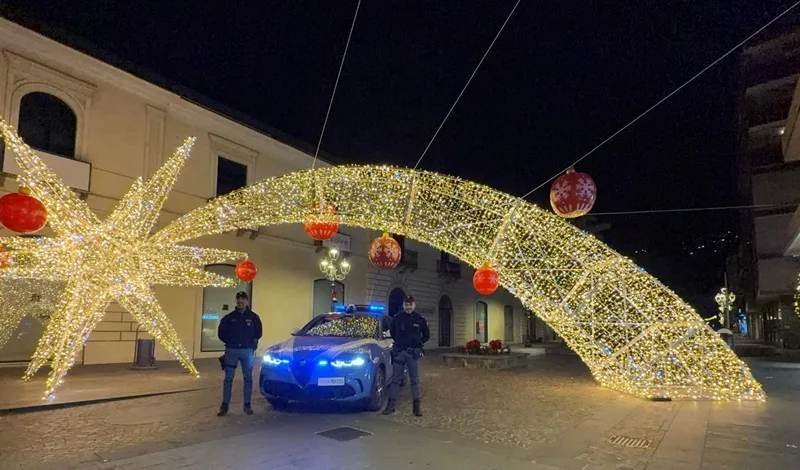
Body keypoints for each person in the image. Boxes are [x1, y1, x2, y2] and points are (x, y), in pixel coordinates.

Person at [383, 295, 430, 417]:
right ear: (403, 305)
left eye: (410, 304)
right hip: (400, 352)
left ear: (414, 305)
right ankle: (391, 405)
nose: (408, 307)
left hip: (412, 354)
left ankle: (416, 407)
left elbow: (426, 335)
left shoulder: (420, 319)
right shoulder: (397, 318)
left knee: (414, 380)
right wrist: (400, 342)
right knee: (395, 380)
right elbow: (393, 333)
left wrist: (418, 343)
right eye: (406, 304)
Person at [217, 291, 262, 416]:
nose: (240, 302)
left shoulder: (254, 318)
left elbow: (258, 332)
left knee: (248, 378)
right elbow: (221, 333)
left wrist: (251, 344)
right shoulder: (229, 318)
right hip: (232, 350)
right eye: (239, 300)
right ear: (236, 301)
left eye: (243, 300)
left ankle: (247, 405)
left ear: (247, 301)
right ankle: (224, 405)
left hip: (247, 351)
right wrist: (230, 342)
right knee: (228, 379)